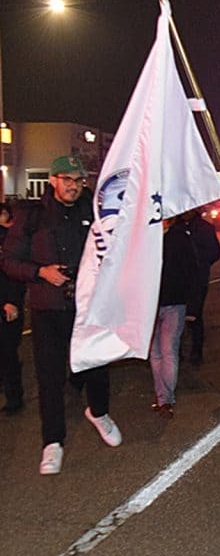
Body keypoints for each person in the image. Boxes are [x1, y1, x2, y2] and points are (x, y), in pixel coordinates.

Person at [2, 156, 123, 475]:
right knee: (50, 378)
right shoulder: (32, 216)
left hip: (90, 306)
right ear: (53, 180)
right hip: (49, 308)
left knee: (97, 366)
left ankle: (99, 412)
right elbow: (10, 261)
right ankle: (52, 442)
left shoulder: (95, 210)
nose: (72, 185)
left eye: (78, 180)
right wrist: (41, 271)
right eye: (66, 179)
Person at [148, 216, 199, 418]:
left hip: (175, 302)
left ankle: (166, 399)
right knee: (156, 353)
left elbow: (193, 272)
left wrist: (193, 306)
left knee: (168, 351)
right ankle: (162, 396)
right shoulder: (145, 237)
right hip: (150, 304)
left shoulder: (180, 238)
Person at [180, 208, 220, 366]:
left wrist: (200, 262)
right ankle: (182, 352)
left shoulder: (204, 228)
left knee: (194, 316)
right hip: (181, 279)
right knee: (180, 316)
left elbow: (215, 253)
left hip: (196, 278)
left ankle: (196, 351)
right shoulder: (178, 228)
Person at [0, 202, 26, 415]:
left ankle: (14, 396)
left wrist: (11, 301)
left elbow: (14, 274)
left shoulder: (11, 240)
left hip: (7, 303)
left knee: (8, 352)